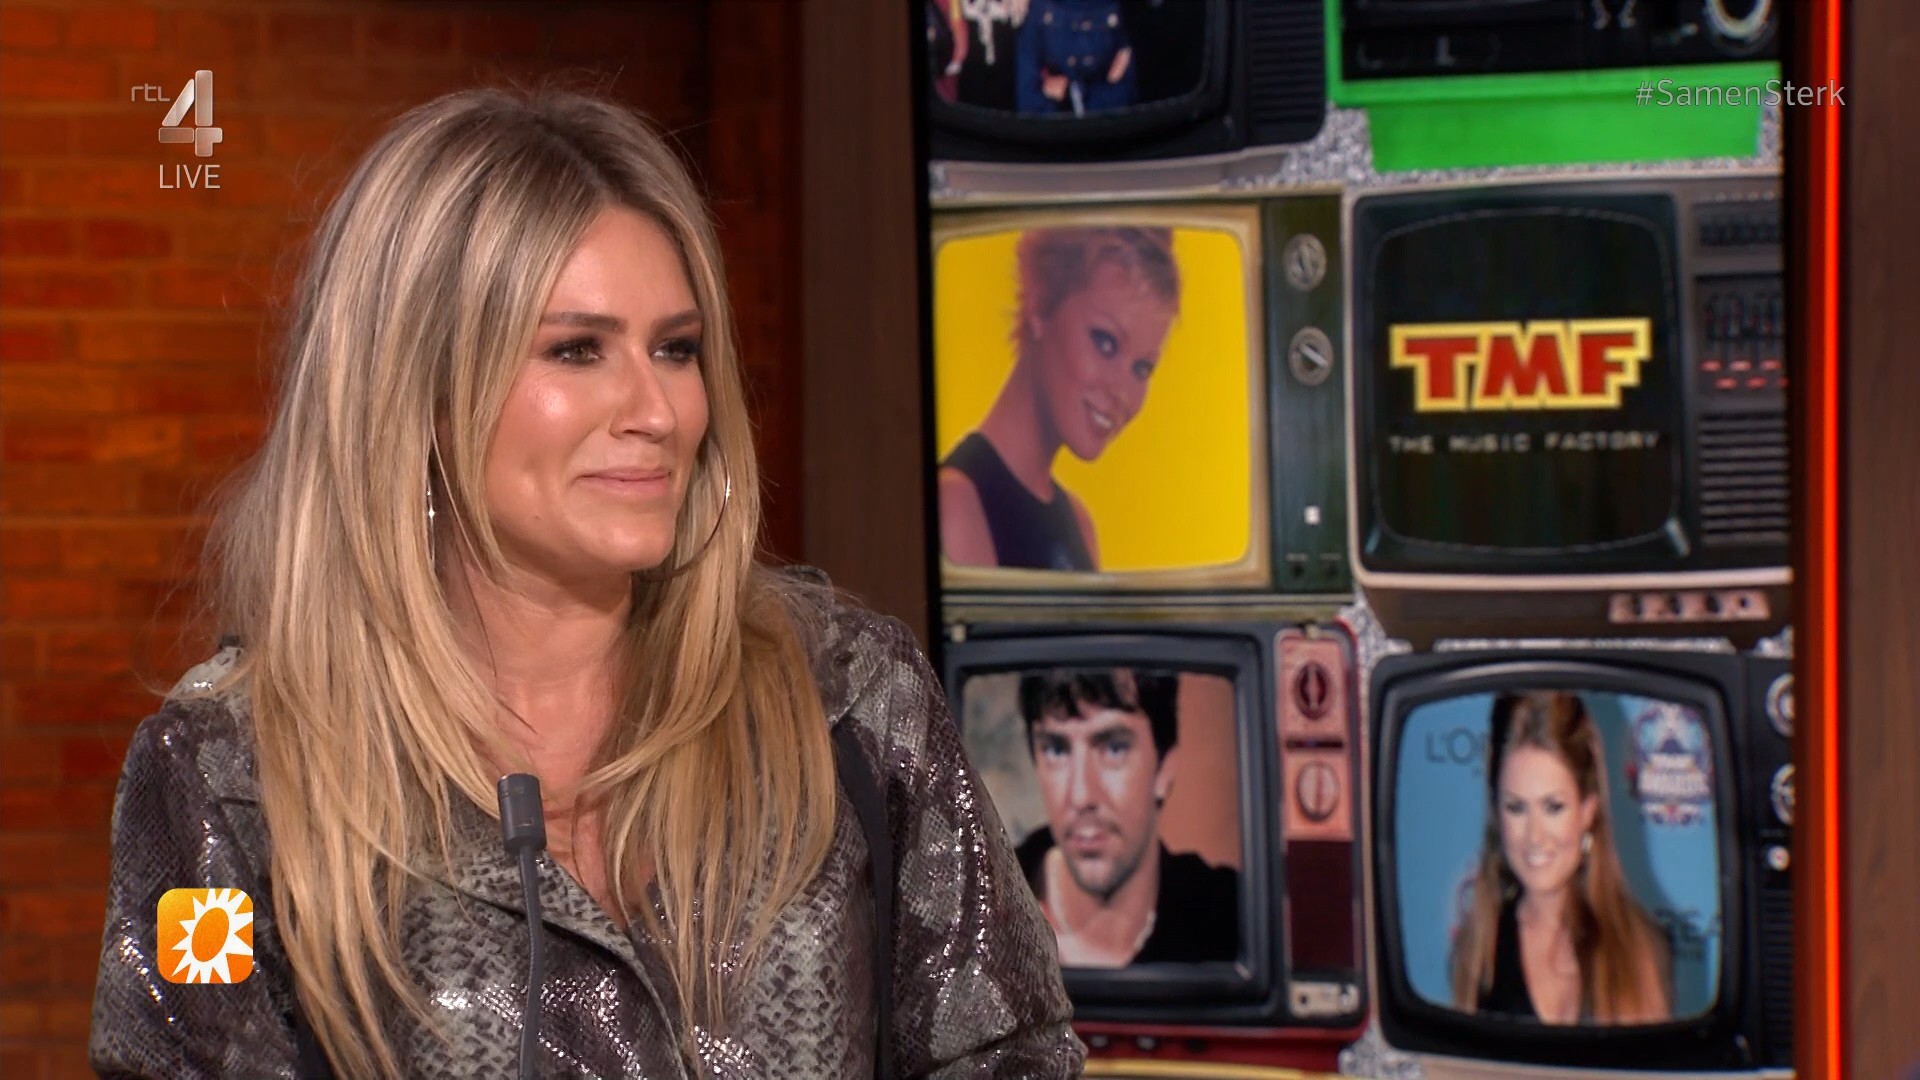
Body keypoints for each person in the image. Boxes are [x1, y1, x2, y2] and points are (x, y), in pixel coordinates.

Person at [88, 87, 1082, 1080]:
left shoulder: (853, 703)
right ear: (421, 393)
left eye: (676, 349)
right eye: (577, 350)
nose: (659, 410)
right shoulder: (226, 779)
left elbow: (1012, 1059)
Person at [938, 226, 1179, 572]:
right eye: (1106, 342)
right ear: (1040, 303)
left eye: (1142, 368)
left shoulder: (1080, 523)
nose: (1123, 394)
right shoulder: (956, 505)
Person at [1450, 692, 1673, 1025]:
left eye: (1553, 807)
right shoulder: (1478, 951)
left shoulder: (1640, 951)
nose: (1534, 836)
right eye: (1516, 807)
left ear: (1588, 810)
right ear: (1497, 812)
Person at [1012, 668, 1238, 967]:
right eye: (1056, 750)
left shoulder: (1229, 917)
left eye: (1114, 748)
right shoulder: (980, 906)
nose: (1081, 796)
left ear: (1165, 767)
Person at [1015, 0, 1137, 116]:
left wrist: (1070, 94)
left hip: (1108, 125)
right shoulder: (1039, 10)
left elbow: (1125, 95)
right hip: (1052, 125)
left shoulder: (1119, 9)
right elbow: (1029, 100)